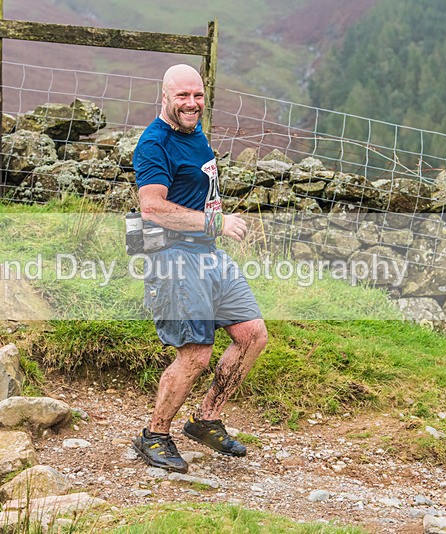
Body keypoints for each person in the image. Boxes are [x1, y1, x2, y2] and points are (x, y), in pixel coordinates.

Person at [131, 64, 268, 473]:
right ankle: (154, 434)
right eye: (182, 97)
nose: (192, 104)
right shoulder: (154, 144)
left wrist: (214, 227)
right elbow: (151, 207)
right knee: (196, 353)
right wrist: (217, 223)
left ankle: (205, 420)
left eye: (198, 96)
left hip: (208, 253)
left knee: (252, 335)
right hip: (172, 256)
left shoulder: (195, 134)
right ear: (164, 96)